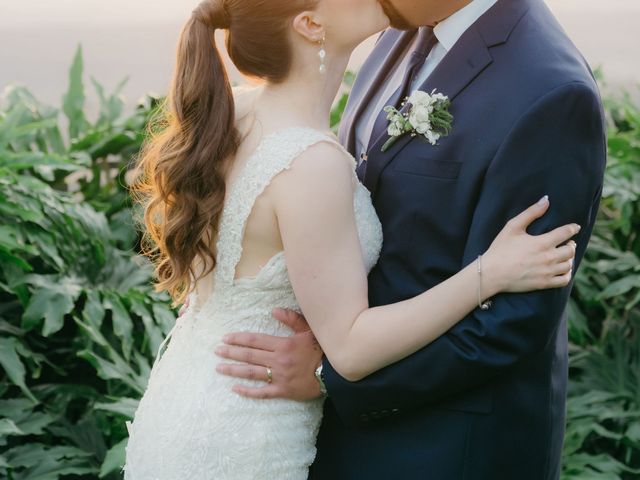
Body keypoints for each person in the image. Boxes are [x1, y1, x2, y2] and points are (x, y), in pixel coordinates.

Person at [123, 0, 586, 478]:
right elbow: (348, 342)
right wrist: (488, 274)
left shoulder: (236, 111)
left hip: (191, 403)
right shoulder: (309, 158)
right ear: (309, 24)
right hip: (245, 431)